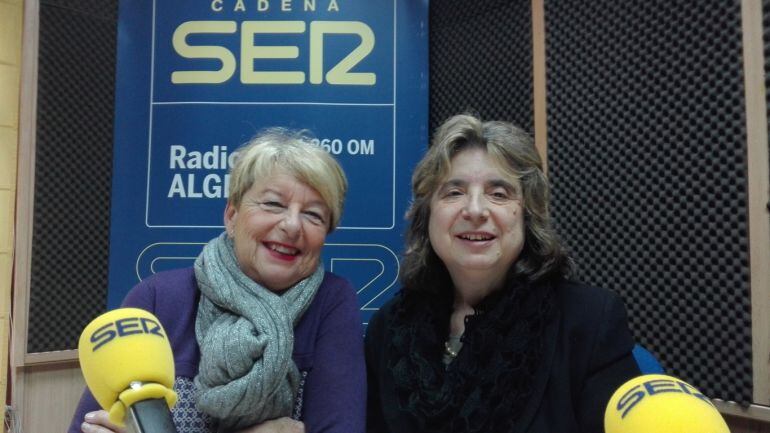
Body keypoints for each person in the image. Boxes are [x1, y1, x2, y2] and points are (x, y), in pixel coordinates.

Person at [70, 128, 366, 433]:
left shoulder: (331, 301)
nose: (292, 225)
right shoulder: (156, 299)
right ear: (232, 215)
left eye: (313, 215)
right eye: (273, 204)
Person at [365, 114, 640, 433]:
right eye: (454, 193)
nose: (476, 210)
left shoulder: (589, 321)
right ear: (427, 216)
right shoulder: (389, 328)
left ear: (527, 214)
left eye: (499, 193)